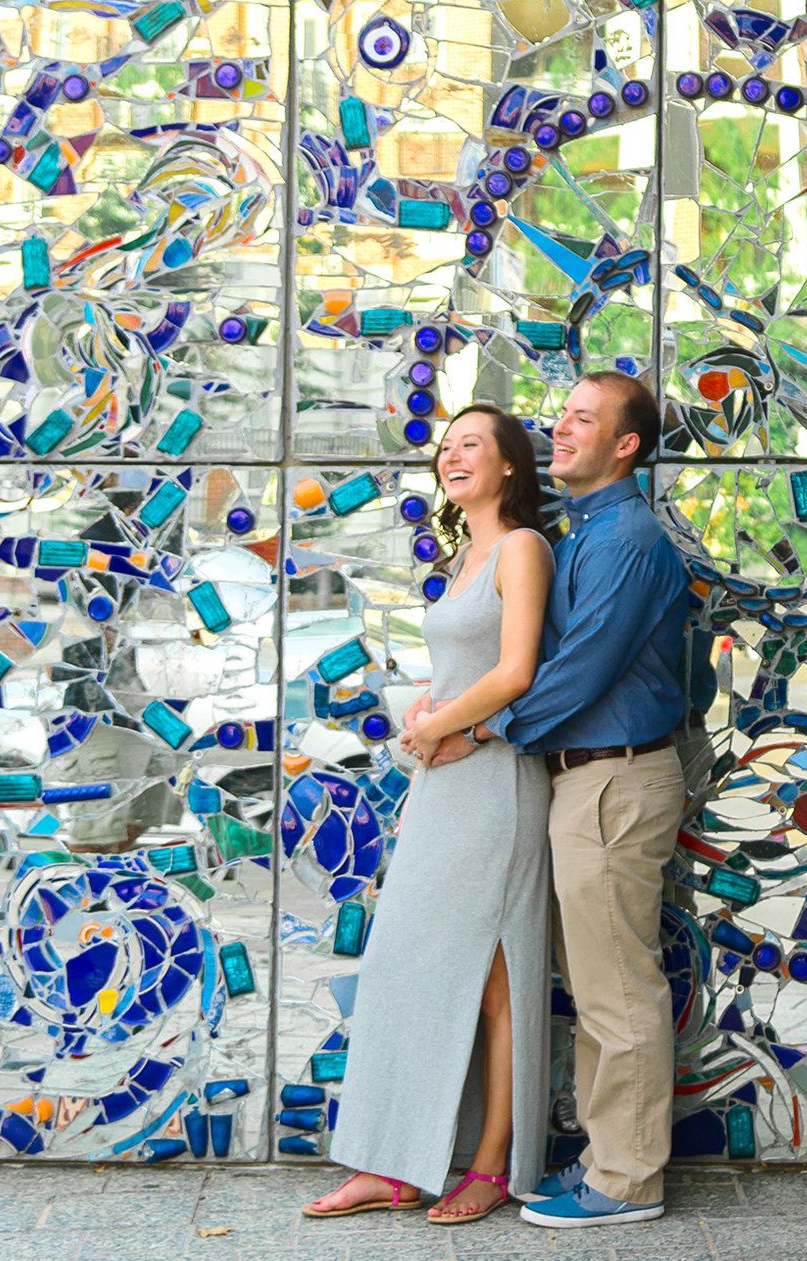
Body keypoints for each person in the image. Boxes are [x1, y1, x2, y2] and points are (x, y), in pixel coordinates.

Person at [417, 370, 692, 1230]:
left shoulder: (626, 540)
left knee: (618, 988)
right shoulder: (580, 533)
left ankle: (628, 1181)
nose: (561, 429)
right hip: (585, 778)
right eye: (561, 415)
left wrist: (484, 730)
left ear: (627, 446)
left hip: (616, 777)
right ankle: (606, 1159)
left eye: (584, 420)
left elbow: (580, 670)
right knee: (598, 983)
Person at [304, 405, 558, 1226]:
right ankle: (394, 1162)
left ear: (511, 464)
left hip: (496, 784)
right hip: (446, 780)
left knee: (495, 979)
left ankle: (490, 1165)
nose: (452, 456)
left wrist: (435, 724)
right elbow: (465, 664)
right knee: (402, 966)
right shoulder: (463, 557)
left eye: (471, 445)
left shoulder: (522, 548)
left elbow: (517, 670)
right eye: (445, 447)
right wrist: (429, 710)